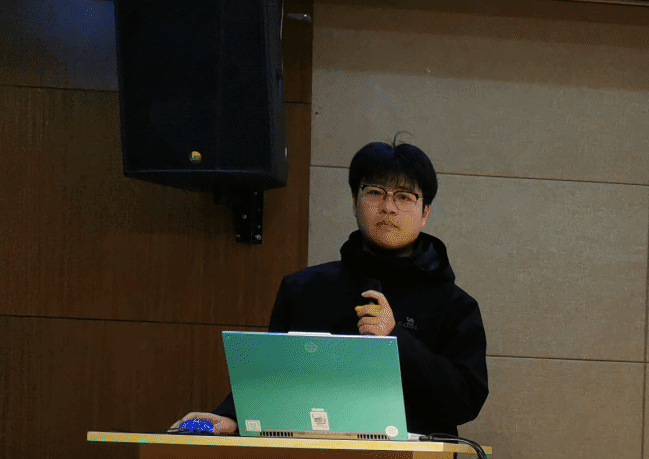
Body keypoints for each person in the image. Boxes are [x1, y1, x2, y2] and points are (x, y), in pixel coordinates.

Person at [173, 141, 487, 436]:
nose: (388, 207)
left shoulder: (455, 306)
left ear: (425, 212)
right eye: (375, 192)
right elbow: (274, 376)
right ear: (354, 201)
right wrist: (231, 416)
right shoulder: (303, 289)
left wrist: (397, 340)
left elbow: (465, 403)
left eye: (404, 197)